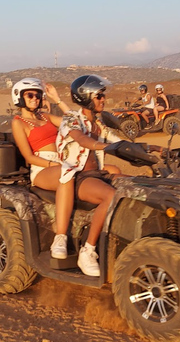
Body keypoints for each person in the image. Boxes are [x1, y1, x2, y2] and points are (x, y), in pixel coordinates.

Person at [56, 74, 124, 276]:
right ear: (85, 97)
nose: (103, 100)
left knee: (136, 185)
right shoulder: (71, 119)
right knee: (109, 196)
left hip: (98, 174)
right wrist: (107, 147)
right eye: (99, 96)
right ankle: (88, 251)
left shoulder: (99, 124)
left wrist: (151, 149)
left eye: (103, 96)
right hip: (78, 177)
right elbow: (82, 140)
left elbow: (118, 141)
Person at [10, 78, 72, 259]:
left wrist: (57, 99)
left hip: (64, 161)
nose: (35, 98)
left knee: (108, 171)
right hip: (42, 167)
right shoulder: (18, 122)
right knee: (66, 174)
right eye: (30, 95)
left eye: (38, 95)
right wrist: (54, 164)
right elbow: (29, 157)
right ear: (19, 98)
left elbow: (74, 123)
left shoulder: (45, 117)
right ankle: (60, 237)